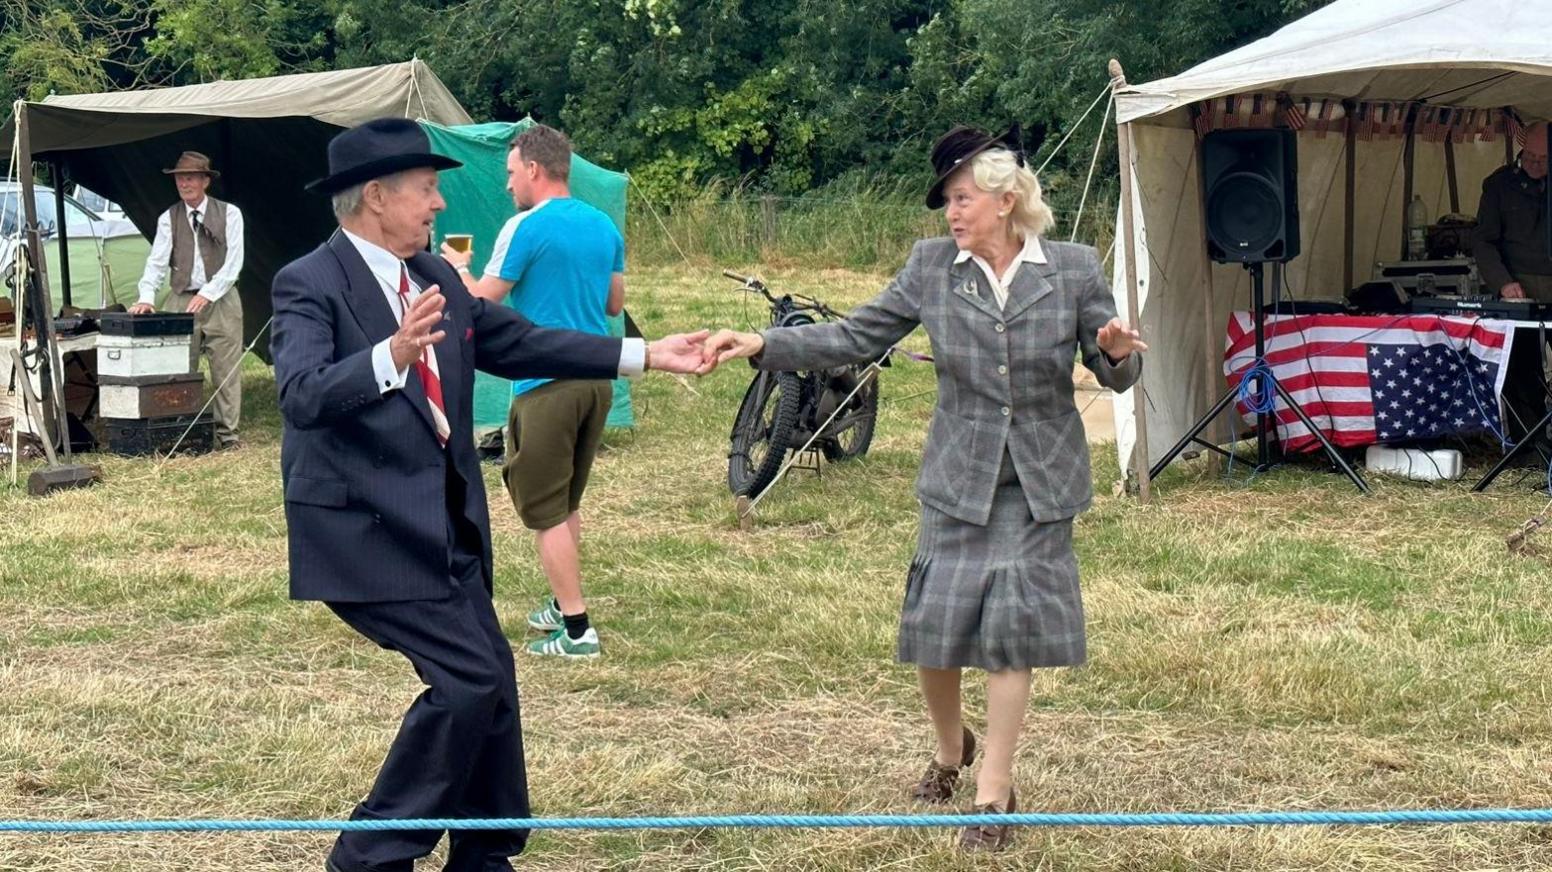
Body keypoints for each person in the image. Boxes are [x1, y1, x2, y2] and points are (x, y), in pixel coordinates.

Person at [270, 117, 706, 872]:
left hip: (445, 528)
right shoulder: (309, 282)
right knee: (469, 683)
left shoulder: (436, 277)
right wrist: (390, 354)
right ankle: (369, 855)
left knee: (491, 682)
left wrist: (643, 353)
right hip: (364, 534)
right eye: (428, 189)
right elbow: (303, 395)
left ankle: (484, 854)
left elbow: (521, 341)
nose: (439, 204)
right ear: (376, 196)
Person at [701, 125, 1146, 852]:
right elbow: (853, 338)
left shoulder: (1072, 269)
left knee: (1010, 638)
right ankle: (951, 749)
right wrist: (761, 343)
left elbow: (1116, 364)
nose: (951, 211)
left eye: (962, 198)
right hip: (958, 479)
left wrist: (1115, 354)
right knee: (936, 638)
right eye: (947, 200)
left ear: (1005, 200)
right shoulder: (932, 266)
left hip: (1039, 484)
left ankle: (992, 797)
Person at [440, 124, 624, 659]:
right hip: (598, 381)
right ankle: (560, 599)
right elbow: (614, 306)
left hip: (547, 385)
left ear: (535, 170)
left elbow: (483, 305)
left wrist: (457, 269)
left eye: (511, 172)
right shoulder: (604, 224)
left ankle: (577, 630)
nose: (507, 185)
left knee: (542, 510)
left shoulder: (524, 227)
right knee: (566, 500)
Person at [130, 150, 246, 448]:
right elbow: (156, 262)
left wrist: (209, 293)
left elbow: (234, 263)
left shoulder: (230, 213)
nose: (184, 183)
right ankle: (181, 432)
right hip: (182, 298)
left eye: (191, 177)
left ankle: (227, 434)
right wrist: (146, 296)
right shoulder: (169, 218)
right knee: (177, 369)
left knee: (226, 368)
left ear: (206, 181)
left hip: (221, 298)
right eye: (180, 178)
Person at [1474, 121, 1551, 446]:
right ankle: (1531, 447)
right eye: (1530, 156)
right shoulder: (1499, 185)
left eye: (1544, 159)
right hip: (1518, 290)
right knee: (1521, 368)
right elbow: (1484, 242)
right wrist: (1503, 283)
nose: (1535, 164)